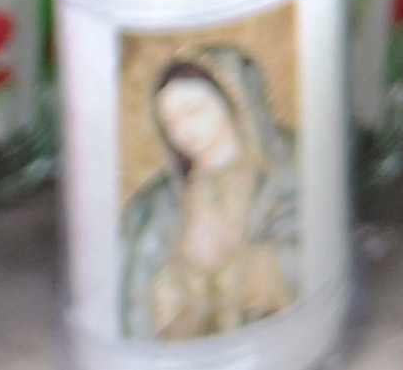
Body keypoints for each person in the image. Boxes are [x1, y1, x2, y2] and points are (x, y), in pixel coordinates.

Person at [121, 35, 303, 341]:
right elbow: (136, 287)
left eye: (194, 110)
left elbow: (303, 252)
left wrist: (240, 270)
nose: (183, 131)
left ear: (233, 101)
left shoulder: (286, 167)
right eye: (171, 121)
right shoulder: (158, 201)